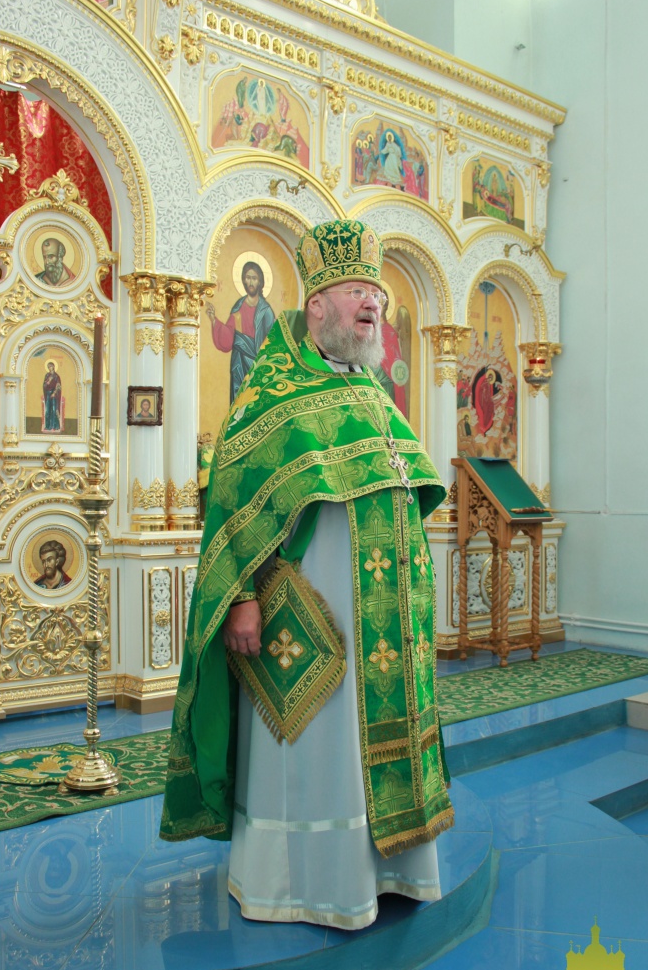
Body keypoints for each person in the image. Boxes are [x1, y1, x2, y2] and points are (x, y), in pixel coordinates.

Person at [160, 219, 454, 930]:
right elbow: (234, 508)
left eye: (376, 294)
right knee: (318, 755)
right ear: (316, 305)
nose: (372, 303)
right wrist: (241, 599)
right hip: (308, 621)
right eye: (356, 291)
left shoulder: (373, 395)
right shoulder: (271, 397)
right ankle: (307, 884)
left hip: (384, 622)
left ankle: (391, 870)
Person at [206, 261, 276, 402]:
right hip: (239, 362)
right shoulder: (238, 306)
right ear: (243, 280)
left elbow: (272, 341)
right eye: (248, 278)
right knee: (239, 401)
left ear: (260, 282)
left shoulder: (266, 310)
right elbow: (228, 336)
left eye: (254, 278)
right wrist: (214, 320)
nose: (251, 282)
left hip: (258, 364)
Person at [42, 361, 62, 432]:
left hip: (54, 395)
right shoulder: (47, 375)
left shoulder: (56, 376)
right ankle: (48, 426)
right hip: (48, 394)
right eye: (48, 367)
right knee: (47, 410)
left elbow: (58, 386)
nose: (49, 368)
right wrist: (48, 382)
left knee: (54, 410)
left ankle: (55, 426)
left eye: (50, 366)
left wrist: (54, 393)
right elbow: (44, 386)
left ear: (53, 366)